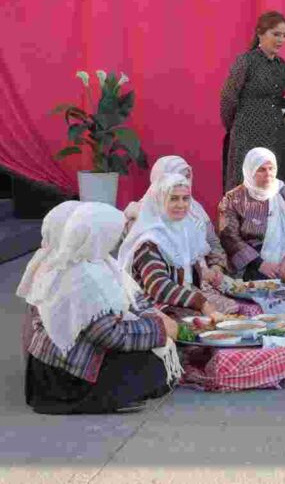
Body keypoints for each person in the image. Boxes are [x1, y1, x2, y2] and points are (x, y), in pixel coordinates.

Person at [21, 203, 181, 414]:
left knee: (156, 353)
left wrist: (155, 319)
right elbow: (109, 334)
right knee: (155, 364)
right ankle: (98, 399)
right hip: (67, 375)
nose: (116, 239)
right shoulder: (81, 276)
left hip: (53, 365)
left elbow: (131, 298)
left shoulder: (92, 261)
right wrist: (159, 330)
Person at [118, 173, 224, 317]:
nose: (181, 205)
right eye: (173, 199)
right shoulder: (149, 240)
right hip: (155, 307)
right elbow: (158, 286)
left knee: (232, 312)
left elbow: (188, 272)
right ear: (159, 201)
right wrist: (200, 302)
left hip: (181, 299)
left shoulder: (184, 230)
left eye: (185, 198)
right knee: (207, 322)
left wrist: (209, 275)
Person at [221, 10, 285, 192]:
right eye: (276, 34)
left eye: (284, 35)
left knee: (275, 182)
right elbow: (228, 98)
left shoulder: (281, 65)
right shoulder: (246, 61)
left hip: (275, 133)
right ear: (260, 33)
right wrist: (236, 126)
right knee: (247, 182)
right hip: (248, 133)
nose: (281, 40)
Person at [125, 155, 229, 276]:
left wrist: (216, 268)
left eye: (187, 176)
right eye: (179, 176)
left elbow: (213, 243)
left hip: (201, 278)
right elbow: (151, 269)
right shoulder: (140, 215)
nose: (185, 181)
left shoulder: (195, 210)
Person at [218, 147, 285, 281]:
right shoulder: (233, 199)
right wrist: (260, 264)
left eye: (271, 168)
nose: (268, 174)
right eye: (261, 169)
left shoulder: (284, 194)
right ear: (250, 171)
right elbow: (229, 236)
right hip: (251, 265)